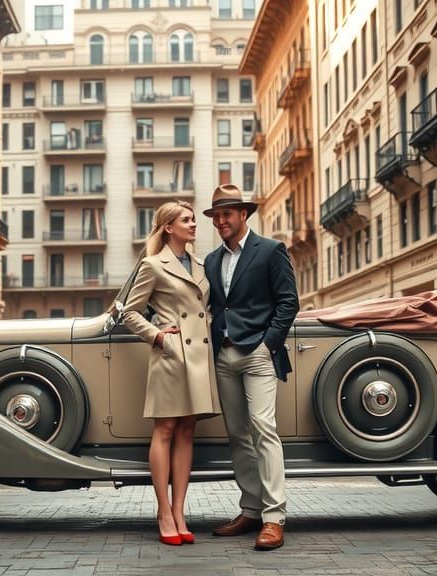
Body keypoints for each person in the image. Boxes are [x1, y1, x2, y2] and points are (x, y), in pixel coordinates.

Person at [203, 184, 299, 551]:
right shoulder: (211, 260)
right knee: (238, 435)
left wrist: (268, 344)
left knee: (263, 428)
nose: (221, 221)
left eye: (227, 214)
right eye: (216, 216)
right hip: (223, 356)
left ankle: (274, 518)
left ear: (244, 214)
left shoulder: (271, 250)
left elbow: (289, 302)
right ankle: (251, 510)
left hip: (258, 353)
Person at [121, 201, 222, 546]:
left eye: (194, 220)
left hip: (199, 356)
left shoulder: (201, 264)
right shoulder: (152, 265)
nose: (194, 224)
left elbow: (205, 307)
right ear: (168, 227)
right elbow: (130, 313)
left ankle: (180, 511)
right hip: (171, 355)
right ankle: (163, 511)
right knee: (164, 429)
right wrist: (159, 336)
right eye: (186, 220)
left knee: (187, 431)